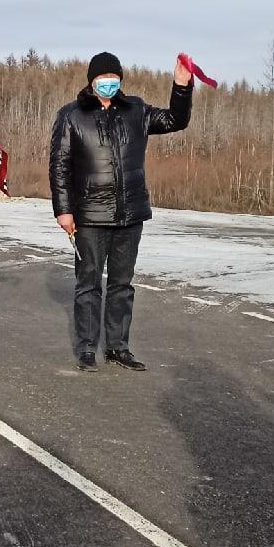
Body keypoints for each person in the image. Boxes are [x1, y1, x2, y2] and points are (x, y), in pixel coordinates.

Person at [49, 51, 193, 373]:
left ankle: (117, 347)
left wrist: (181, 87)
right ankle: (87, 348)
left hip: (130, 214)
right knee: (89, 283)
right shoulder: (71, 116)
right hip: (89, 216)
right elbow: (59, 166)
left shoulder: (136, 110)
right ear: (91, 80)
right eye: (103, 78)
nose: (109, 83)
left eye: (114, 78)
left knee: (122, 284)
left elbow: (175, 120)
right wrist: (64, 210)